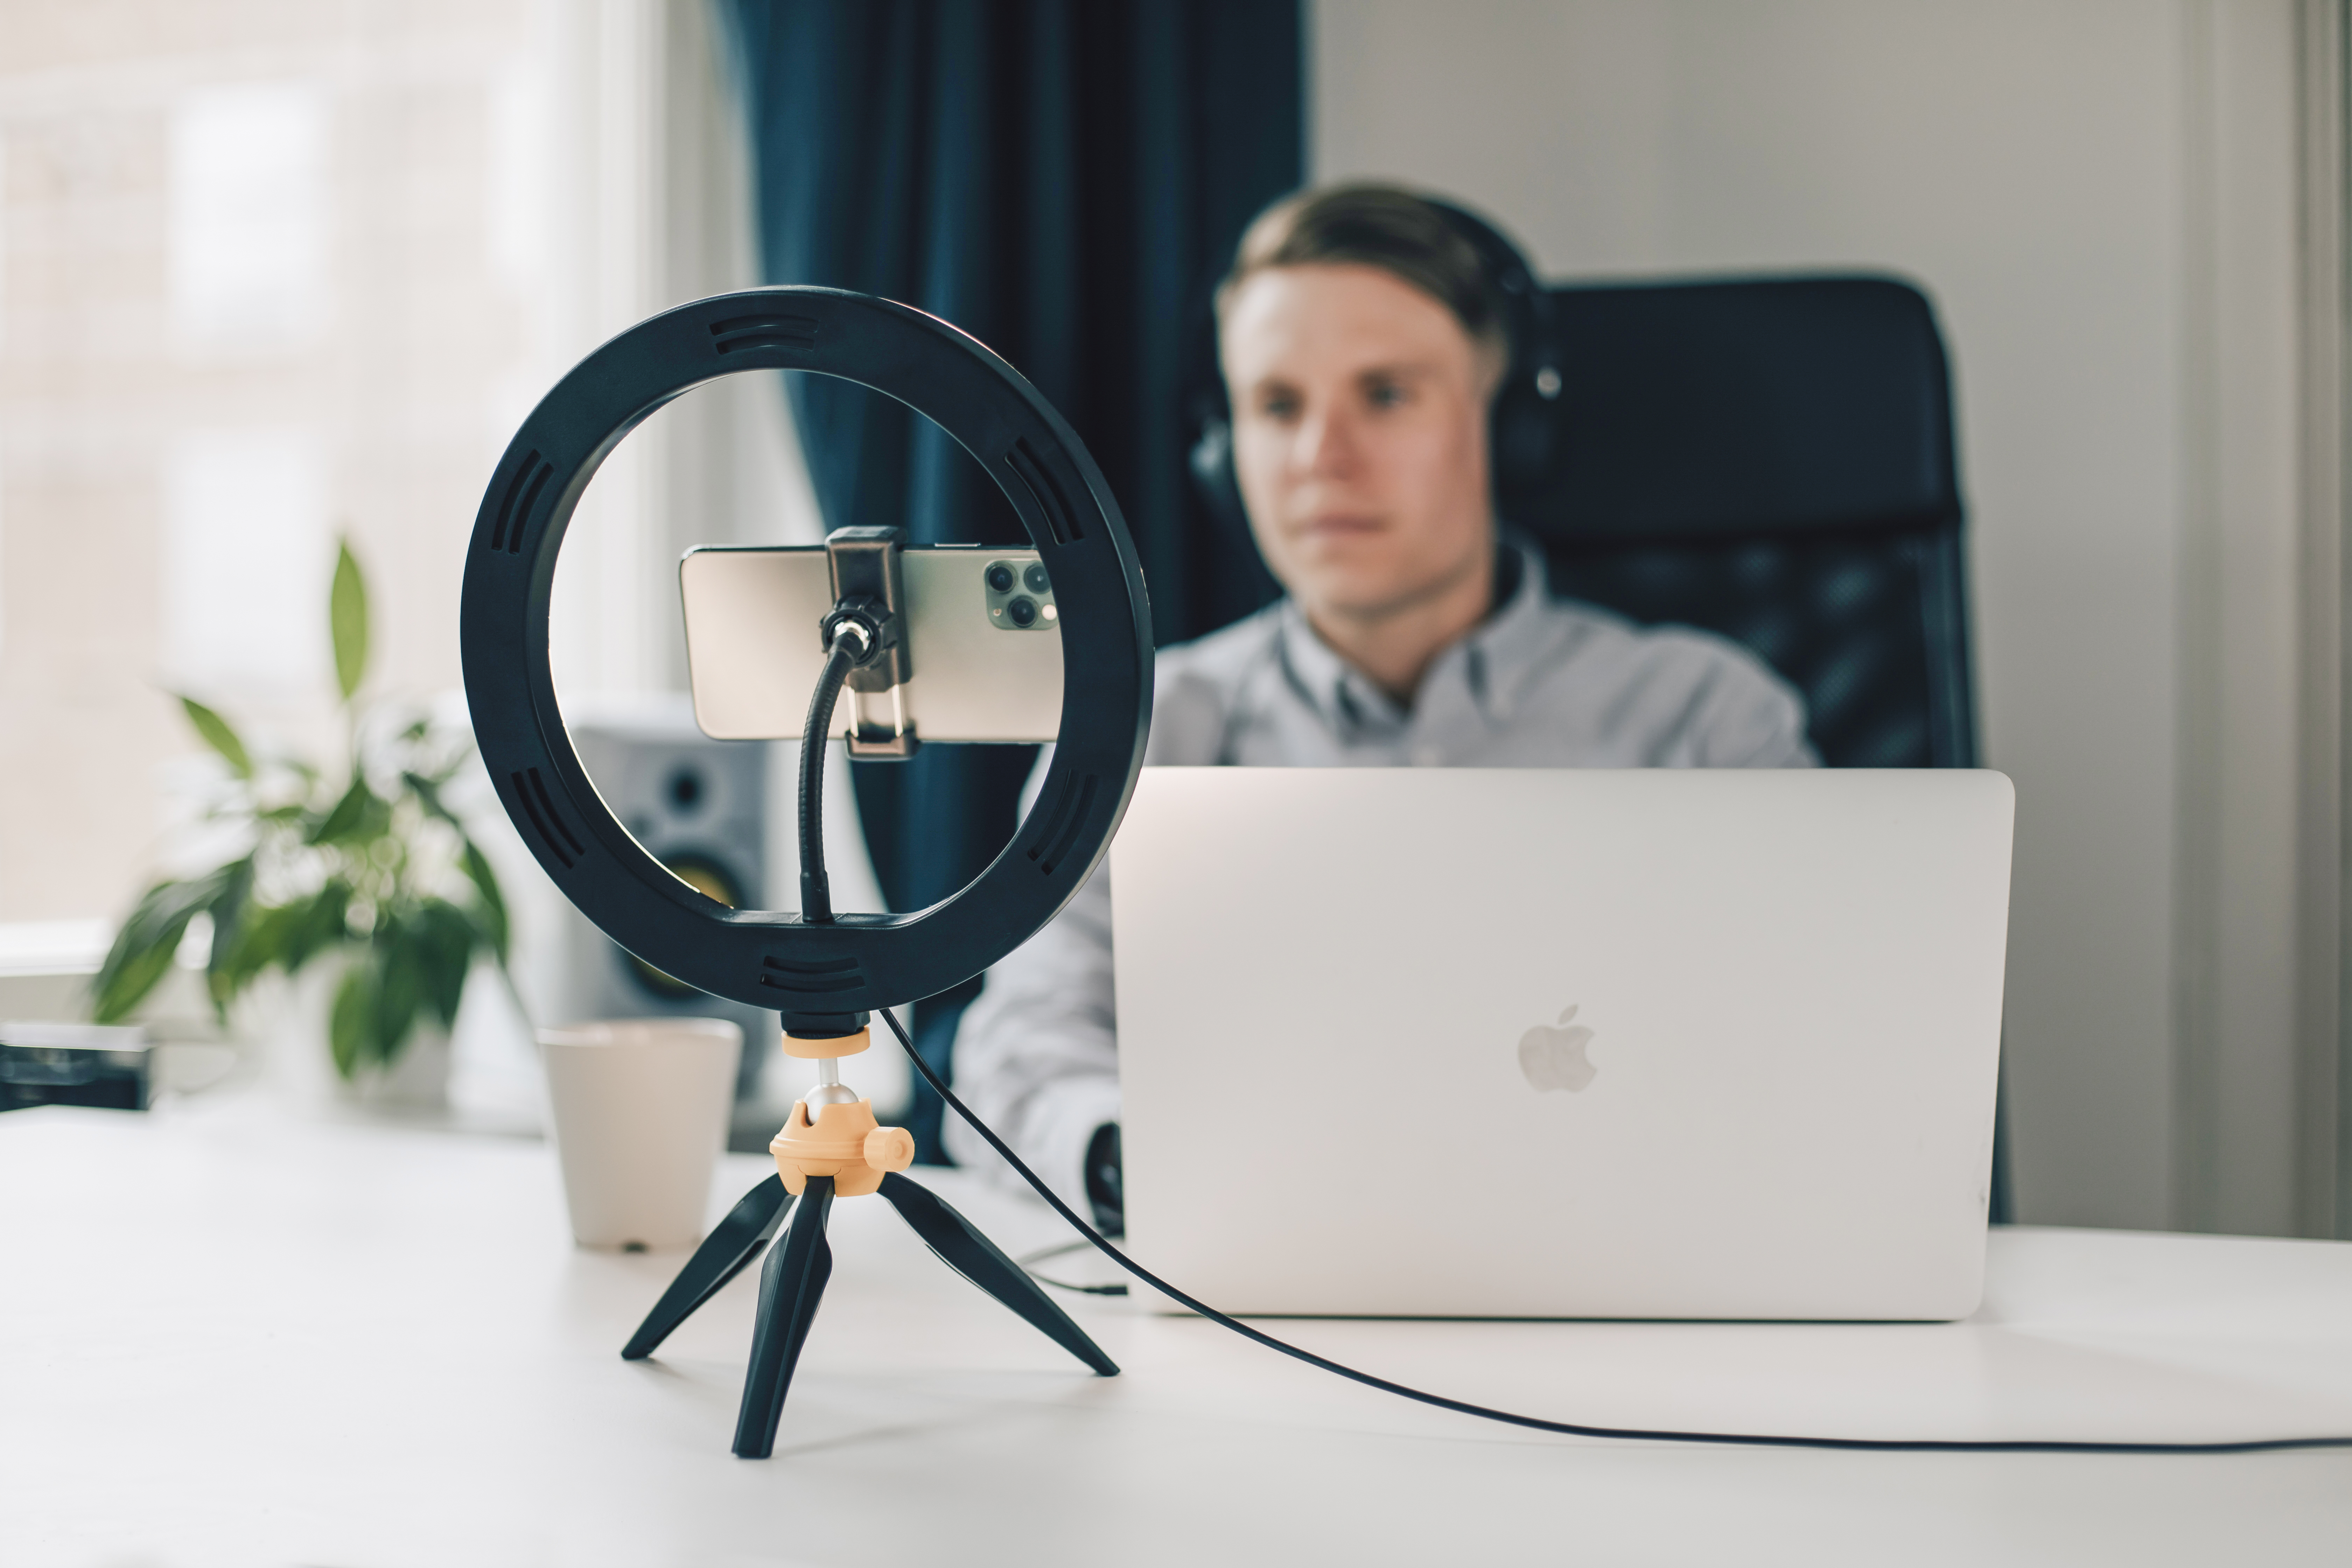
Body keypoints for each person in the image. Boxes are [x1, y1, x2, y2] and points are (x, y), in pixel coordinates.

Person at [944, 184, 1815, 1223]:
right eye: (1277, 405)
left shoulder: (1705, 718)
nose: (1322, 457)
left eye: (1387, 395)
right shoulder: (1141, 731)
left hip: (1637, 1269)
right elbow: (1017, 1047)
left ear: (1511, 429)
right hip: (1258, 1308)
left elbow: (1812, 1050)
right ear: (1224, 456)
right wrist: (1141, 1158)